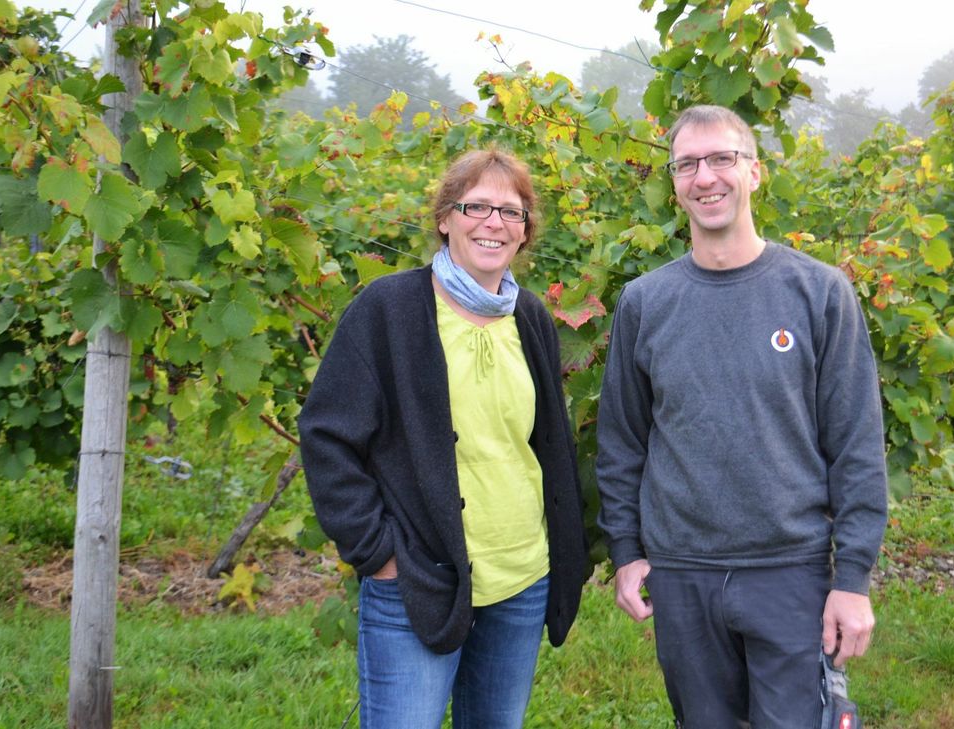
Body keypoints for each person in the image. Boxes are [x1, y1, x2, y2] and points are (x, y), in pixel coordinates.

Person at [595, 104, 888, 728]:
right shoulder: (645, 302)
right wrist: (626, 550)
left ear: (754, 171)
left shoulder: (819, 293)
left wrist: (853, 577)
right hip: (682, 574)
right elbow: (622, 442)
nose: (705, 177)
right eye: (687, 164)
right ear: (675, 183)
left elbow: (857, 446)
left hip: (791, 572)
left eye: (722, 159)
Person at [299, 148, 586, 729]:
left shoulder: (529, 317)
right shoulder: (389, 309)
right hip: (419, 577)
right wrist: (379, 553)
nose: (493, 223)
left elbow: (544, 445)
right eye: (476, 206)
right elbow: (327, 434)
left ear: (525, 231)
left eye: (511, 211)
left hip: (522, 576)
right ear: (445, 219)